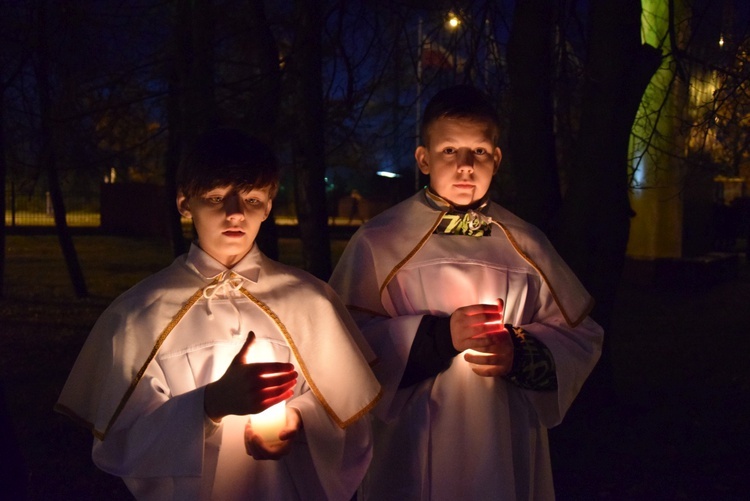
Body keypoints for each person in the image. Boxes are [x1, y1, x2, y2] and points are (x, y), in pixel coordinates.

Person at [55, 128, 381, 500]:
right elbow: (123, 440)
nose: (235, 213)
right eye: (215, 197)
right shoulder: (141, 312)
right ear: (184, 201)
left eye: (252, 198)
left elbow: (352, 424)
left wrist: (298, 419)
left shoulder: (312, 300)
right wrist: (209, 405)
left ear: (269, 205)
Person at [329, 85, 603, 500]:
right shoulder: (380, 241)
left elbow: (581, 336)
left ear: (496, 158)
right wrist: (436, 339)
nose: (464, 166)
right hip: (411, 436)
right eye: (449, 151)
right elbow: (342, 342)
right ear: (423, 159)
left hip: (502, 430)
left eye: (478, 152)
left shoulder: (526, 243)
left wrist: (521, 351)